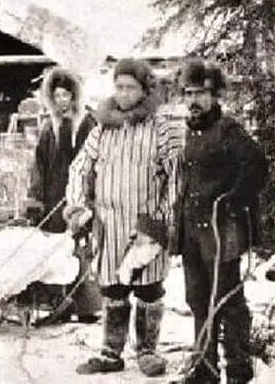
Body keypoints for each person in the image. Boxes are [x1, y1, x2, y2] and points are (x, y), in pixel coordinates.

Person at [64, 58, 173, 377]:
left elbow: (175, 176)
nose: (124, 93)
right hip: (109, 224)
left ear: (144, 90)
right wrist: (77, 205)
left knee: (149, 287)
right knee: (112, 288)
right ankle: (111, 353)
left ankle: (148, 351)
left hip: (146, 225)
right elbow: (80, 168)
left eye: (131, 87)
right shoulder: (103, 128)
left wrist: (162, 220)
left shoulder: (160, 128)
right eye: (120, 87)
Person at [171, 60, 267, 384]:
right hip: (192, 232)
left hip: (220, 230)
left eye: (200, 93)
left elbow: (256, 164)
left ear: (214, 95)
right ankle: (205, 370)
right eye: (188, 93)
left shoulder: (228, 130)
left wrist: (233, 200)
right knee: (198, 299)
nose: (193, 100)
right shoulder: (190, 133)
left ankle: (239, 369)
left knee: (228, 298)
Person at [26, 66, 101, 323]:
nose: (62, 101)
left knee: (80, 248)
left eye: (66, 96)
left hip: (79, 197)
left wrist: (89, 196)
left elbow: (94, 163)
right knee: (57, 249)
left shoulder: (88, 124)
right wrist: (36, 198)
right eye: (57, 96)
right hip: (53, 197)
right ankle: (60, 302)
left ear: (74, 97)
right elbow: (39, 165)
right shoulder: (49, 127)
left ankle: (87, 307)